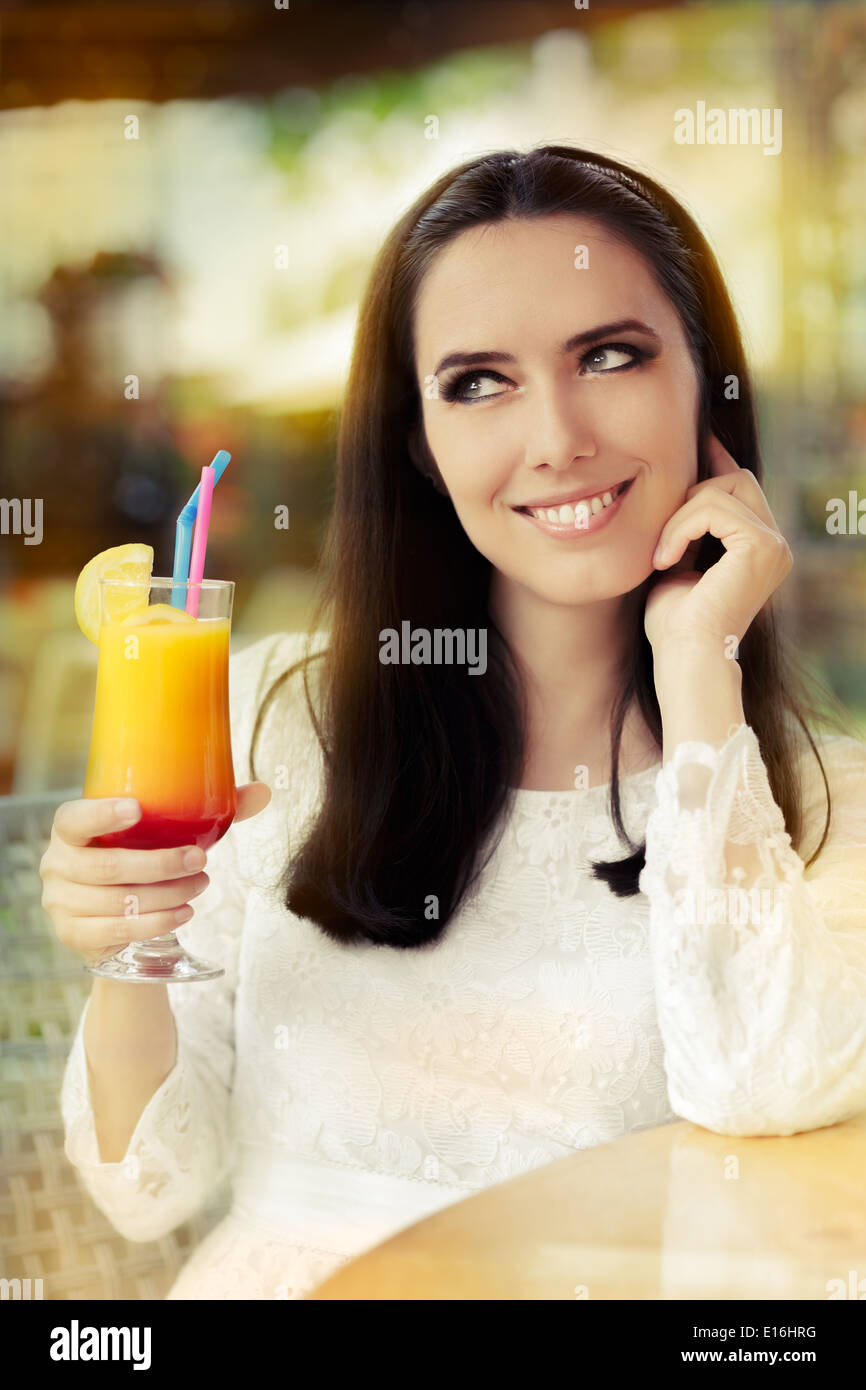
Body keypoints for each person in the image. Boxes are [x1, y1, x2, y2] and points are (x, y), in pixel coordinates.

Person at [44, 146, 866, 1300]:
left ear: (706, 385)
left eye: (611, 355)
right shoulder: (269, 717)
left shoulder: (826, 798)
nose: (556, 437)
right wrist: (128, 952)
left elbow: (757, 1094)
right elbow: (147, 1183)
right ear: (419, 445)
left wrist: (697, 674)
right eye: (478, 381)